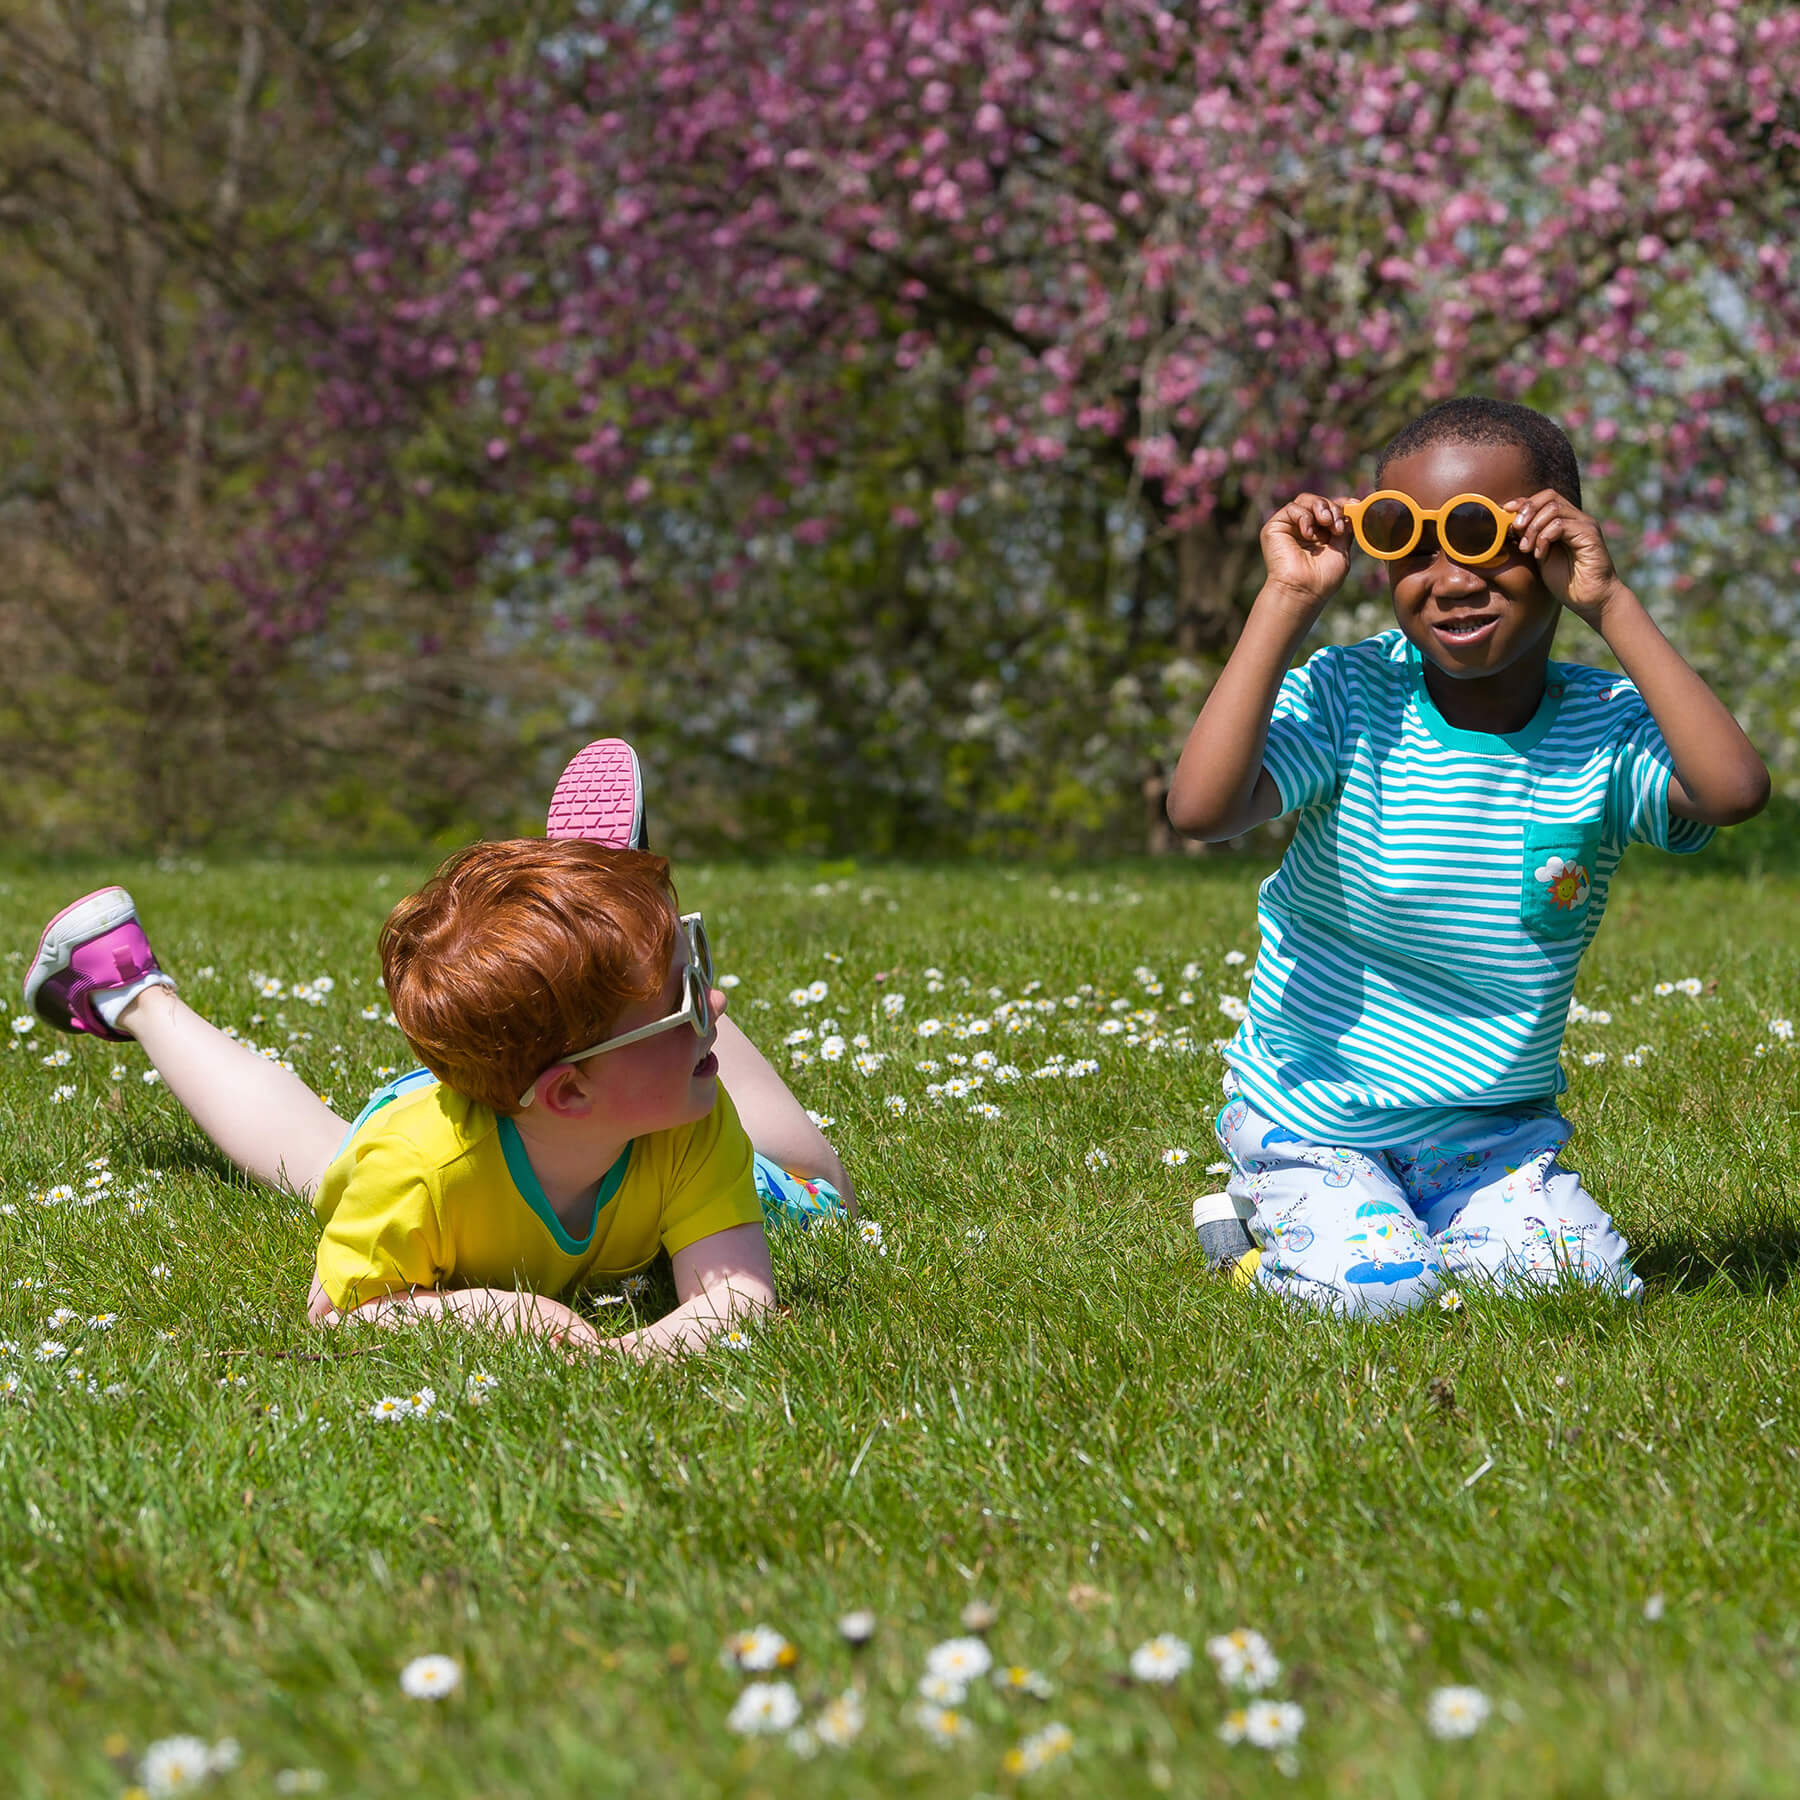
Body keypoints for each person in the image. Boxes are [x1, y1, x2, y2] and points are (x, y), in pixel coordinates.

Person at [1167, 397, 1769, 1315]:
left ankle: (1422, 1223)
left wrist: (1610, 602)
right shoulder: (1350, 696)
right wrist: (1287, 599)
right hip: (1315, 1121)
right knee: (1380, 1294)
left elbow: (1732, 792)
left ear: (1557, 544)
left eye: (1489, 539)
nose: (1451, 578)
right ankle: (1250, 1234)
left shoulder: (1606, 732)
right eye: (1410, 544)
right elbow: (1202, 809)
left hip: (1490, 1138)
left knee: (1575, 1289)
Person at [22, 746, 853, 1353]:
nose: (718, 1000)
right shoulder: (415, 1168)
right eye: (685, 994)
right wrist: (511, 1313)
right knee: (326, 1167)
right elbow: (344, 1311)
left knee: (816, 1194)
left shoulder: (686, 1122)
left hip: (531, 1081)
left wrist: (625, 1355)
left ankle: (604, 907)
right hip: (445, 1130)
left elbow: (740, 1296)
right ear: (570, 1093)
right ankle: (130, 991)